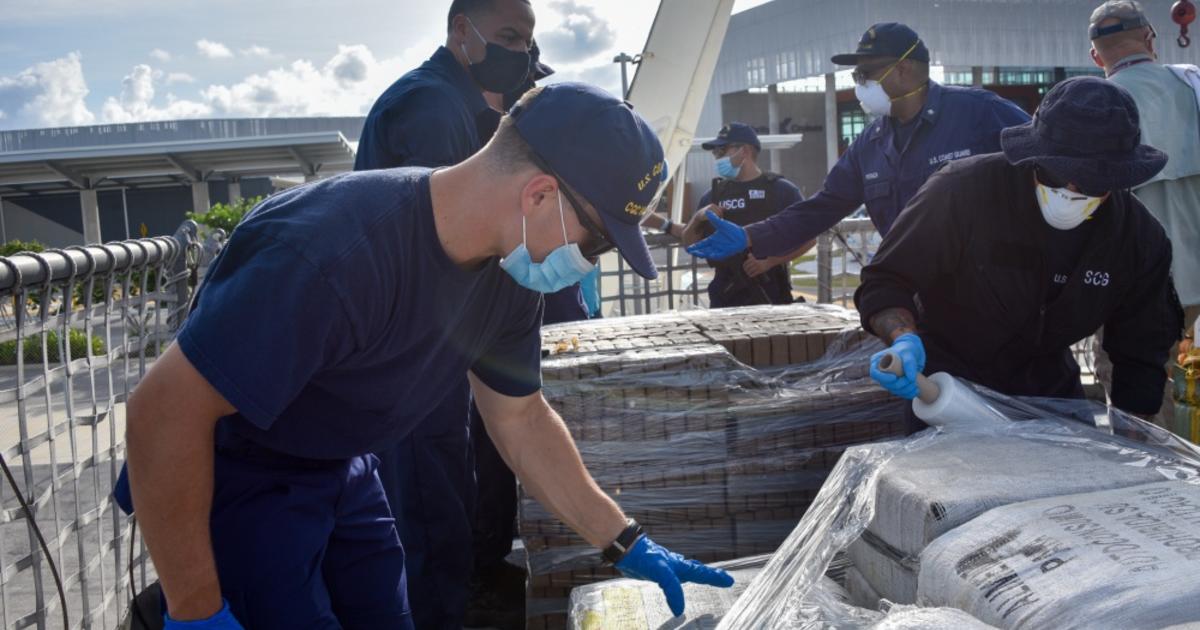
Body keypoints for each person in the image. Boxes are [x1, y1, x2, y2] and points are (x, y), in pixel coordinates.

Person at [120, 83, 733, 630]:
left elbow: (519, 419)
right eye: (597, 240)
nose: (588, 259)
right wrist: (195, 609)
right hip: (242, 473)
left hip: (344, 463)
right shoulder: (330, 253)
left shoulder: (508, 278)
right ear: (540, 195)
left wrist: (623, 540)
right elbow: (162, 413)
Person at [354, 3, 587, 627]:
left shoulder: (469, 108)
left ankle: (472, 581)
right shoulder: (429, 109)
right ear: (463, 32)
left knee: (468, 467)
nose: (525, 54)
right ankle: (442, 611)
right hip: (412, 335)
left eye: (531, 41)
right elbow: (456, 228)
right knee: (429, 493)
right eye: (510, 37)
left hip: (445, 329)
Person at [853, 77, 1184, 434]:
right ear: (1034, 156)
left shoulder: (1137, 239)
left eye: (1091, 182)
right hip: (949, 389)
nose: (1072, 191)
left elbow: (1142, 352)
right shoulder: (962, 192)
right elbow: (886, 281)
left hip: (1052, 395)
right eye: (1058, 174)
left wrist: (1132, 445)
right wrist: (903, 339)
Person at [686, 22, 1030, 268]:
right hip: (918, 297)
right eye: (856, 76)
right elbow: (821, 208)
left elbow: (1046, 172)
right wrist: (749, 236)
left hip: (993, 288)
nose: (860, 84)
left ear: (905, 70)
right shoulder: (871, 144)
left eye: (867, 74)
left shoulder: (981, 115)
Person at [1088, 0, 1200, 425]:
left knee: (1141, 401)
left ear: (1096, 57)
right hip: (1195, 277)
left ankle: (1163, 487)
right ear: (1151, 40)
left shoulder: (1096, 102)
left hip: (1136, 284)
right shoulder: (1192, 87)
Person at [680, 122, 807, 307]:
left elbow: (810, 237)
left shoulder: (781, 190)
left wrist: (771, 262)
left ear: (745, 151)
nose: (717, 157)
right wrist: (698, 217)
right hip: (725, 294)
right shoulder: (713, 195)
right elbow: (689, 242)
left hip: (770, 290)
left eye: (722, 150)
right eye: (715, 153)